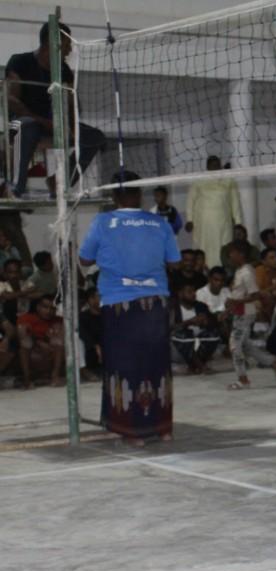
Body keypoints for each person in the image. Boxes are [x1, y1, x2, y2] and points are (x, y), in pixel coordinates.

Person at [78, 170, 179, 443]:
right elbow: (174, 261)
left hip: (120, 303)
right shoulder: (160, 223)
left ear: (114, 195)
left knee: (124, 364)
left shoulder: (103, 222)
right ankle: (163, 428)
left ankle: (132, 430)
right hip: (155, 302)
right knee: (157, 363)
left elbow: (85, 259)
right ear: (140, 193)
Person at [6, 22, 106, 197]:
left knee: (94, 137)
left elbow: (72, 104)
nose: (69, 50)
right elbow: (11, 100)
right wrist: (44, 122)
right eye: (67, 45)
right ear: (51, 44)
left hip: (52, 125)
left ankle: (59, 181)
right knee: (27, 125)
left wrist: (72, 127)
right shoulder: (20, 62)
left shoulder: (63, 70)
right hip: (20, 124)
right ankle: (15, 187)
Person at [224, 241, 276, 389]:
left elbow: (255, 295)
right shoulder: (240, 270)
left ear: (241, 254)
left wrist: (235, 302)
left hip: (244, 313)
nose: (230, 256)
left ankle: (243, 379)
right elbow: (239, 293)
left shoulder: (247, 272)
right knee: (245, 345)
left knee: (234, 346)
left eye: (232, 253)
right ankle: (273, 362)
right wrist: (229, 308)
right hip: (239, 311)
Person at [185, 156, 243, 267]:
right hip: (204, 222)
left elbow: (235, 202)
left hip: (223, 221)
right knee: (204, 245)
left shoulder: (229, 181)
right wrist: (189, 219)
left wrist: (238, 222)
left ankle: (222, 270)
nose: (215, 167)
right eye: (212, 165)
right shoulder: (199, 180)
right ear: (207, 166)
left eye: (217, 165)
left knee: (224, 246)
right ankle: (204, 269)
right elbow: (190, 201)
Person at [170, 283, 219, 374]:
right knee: (184, 335)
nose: (194, 294)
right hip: (177, 350)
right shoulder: (172, 307)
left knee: (213, 334)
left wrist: (207, 322)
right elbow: (169, 328)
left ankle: (194, 365)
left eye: (194, 291)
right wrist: (189, 322)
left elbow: (214, 324)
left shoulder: (200, 306)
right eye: (189, 292)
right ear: (180, 294)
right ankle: (200, 365)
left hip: (196, 347)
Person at [16, 297, 64, 389]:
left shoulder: (59, 320)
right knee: (25, 342)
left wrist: (51, 339)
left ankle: (55, 376)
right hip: (33, 351)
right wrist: (39, 342)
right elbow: (22, 336)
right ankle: (27, 379)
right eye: (45, 307)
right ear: (38, 307)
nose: (49, 311)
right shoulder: (26, 318)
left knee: (58, 340)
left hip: (52, 352)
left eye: (52, 308)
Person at [0, 257, 38, 324]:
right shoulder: (2, 285)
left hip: (27, 315)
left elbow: (38, 294)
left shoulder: (25, 283)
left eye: (16, 272)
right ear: (5, 273)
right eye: (10, 272)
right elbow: (7, 296)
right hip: (9, 318)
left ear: (20, 272)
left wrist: (15, 295)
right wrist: (26, 292)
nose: (14, 275)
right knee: (10, 302)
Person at [78, 288, 103, 373]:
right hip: (90, 351)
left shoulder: (108, 316)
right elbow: (83, 334)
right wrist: (96, 346)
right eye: (99, 297)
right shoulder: (82, 317)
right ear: (91, 300)